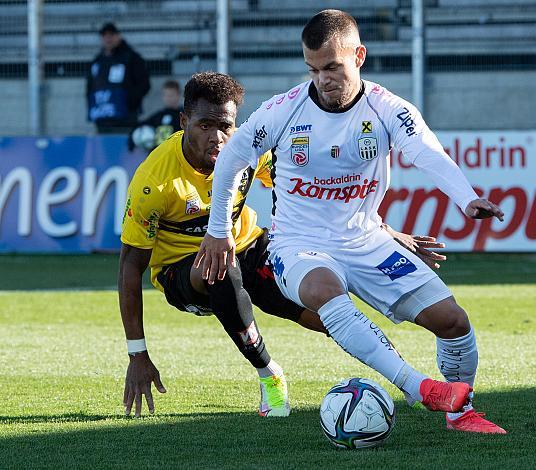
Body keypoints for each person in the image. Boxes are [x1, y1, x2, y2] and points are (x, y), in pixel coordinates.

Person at [198, 10, 507, 434]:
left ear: (358, 56)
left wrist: (467, 198)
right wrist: (218, 232)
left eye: (332, 67)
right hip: (297, 245)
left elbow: (426, 152)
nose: (322, 79)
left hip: (367, 240)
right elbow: (233, 157)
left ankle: (460, 412)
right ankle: (420, 388)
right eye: (312, 68)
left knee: (454, 322)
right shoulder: (283, 111)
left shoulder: (387, 109)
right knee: (325, 289)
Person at [118, 71, 444, 418]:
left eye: (225, 126)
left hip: (247, 246)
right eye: (204, 126)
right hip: (184, 271)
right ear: (183, 121)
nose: (217, 137)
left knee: (327, 311)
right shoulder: (154, 182)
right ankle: (269, 374)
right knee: (220, 269)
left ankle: (407, 381)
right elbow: (130, 266)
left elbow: (315, 189)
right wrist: (138, 354)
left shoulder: (247, 151)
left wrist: (383, 229)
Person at [87, 22, 150, 134]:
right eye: (104, 36)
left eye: (111, 35)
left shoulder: (132, 58)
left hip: (126, 120)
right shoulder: (97, 62)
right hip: (103, 120)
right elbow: (90, 88)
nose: (108, 39)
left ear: (118, 36)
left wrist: (129, 102)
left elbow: (144, 84)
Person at [128, 80, 183, 152]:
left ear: (178, 95)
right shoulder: (158, 116)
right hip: (158, 154)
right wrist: (131, 141)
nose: (168, 98)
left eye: (171, 95)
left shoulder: (185, 116)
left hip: (175, 154)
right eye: (166, 95)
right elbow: (140, 125)